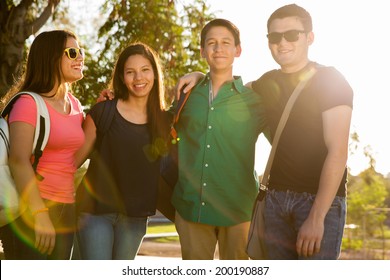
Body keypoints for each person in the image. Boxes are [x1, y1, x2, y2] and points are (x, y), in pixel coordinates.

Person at [176, 4, 353, 260]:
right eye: (274, 36)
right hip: (275, 202)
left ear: (310, 37)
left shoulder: (331, 79)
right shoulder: (264, 84)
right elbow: (224, 91)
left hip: (317, 202)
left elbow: (338, 152)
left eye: (292, 34)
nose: (283, 42)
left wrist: (317, 217)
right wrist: (199, 75)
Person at [171, 19, 268, 260]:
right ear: (202, 50)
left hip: (239, 211)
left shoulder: (255, 100)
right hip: (191, 208)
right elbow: (159, 126)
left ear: (238, 50)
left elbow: (283, 143)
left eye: (226, 43)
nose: (218, 48)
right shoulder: (186, 94)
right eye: (211, 43)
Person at [74, 42, 172, 260]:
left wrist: (195, 75)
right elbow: (72, 161)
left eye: (145, 70)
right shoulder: (103, 111)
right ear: (122, 76)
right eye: (130, 72)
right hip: (94, 213)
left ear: (155, 74)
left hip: (135, 217)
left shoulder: (165, 121)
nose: (139, 78)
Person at [0, 30, 85, 259]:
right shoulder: (28, 103)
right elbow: (18, 160)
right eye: (72, 52)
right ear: (51, 57)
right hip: (31, 209)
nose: (80, 58)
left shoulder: (75, 105)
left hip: (66, 207)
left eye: (81, 51)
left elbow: (74, 158)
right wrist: (40, 213)